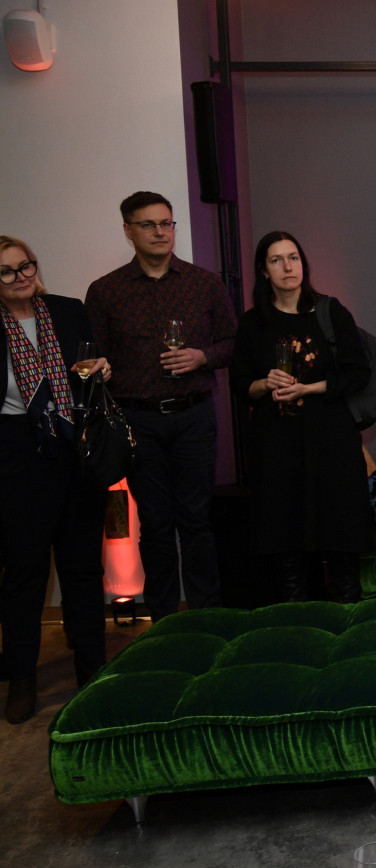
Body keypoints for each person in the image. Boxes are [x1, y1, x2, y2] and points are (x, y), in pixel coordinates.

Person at [85, 191, 235, 622]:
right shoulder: (106, 291)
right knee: (154, 523)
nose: (159, 232)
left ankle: (207, 618)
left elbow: (233, 342)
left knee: (197, 520)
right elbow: (93, 355)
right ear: (128, 231)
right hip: (138, 421)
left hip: (193, 415)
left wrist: (202, 357)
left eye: (166, 223)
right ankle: (165, 621)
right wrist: (98, 369)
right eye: (148, 224)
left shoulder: (204, 283)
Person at [0, 236, 113, 723]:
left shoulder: (66, 310)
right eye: (7, 271)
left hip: (75, 450)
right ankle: (22, 680)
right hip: (16, 456)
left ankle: (93, 672)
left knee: (83, 568)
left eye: (26, 265)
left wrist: (100, 369)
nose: (21, 276)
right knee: (25, 573)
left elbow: (88, 370)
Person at [232, 231, 371, 601]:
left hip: (331, 443)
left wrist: (307, 389)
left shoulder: (330, 311)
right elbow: (240, 384)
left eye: (293, 257)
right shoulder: (252, 323)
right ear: (264, 270)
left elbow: (358, 373)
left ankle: (347, 623)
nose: (287, 266)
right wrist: (265, 383)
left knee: (340, 539)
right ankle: (298, 624)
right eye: (276, 260)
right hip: (277, 447)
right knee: (285, 542)